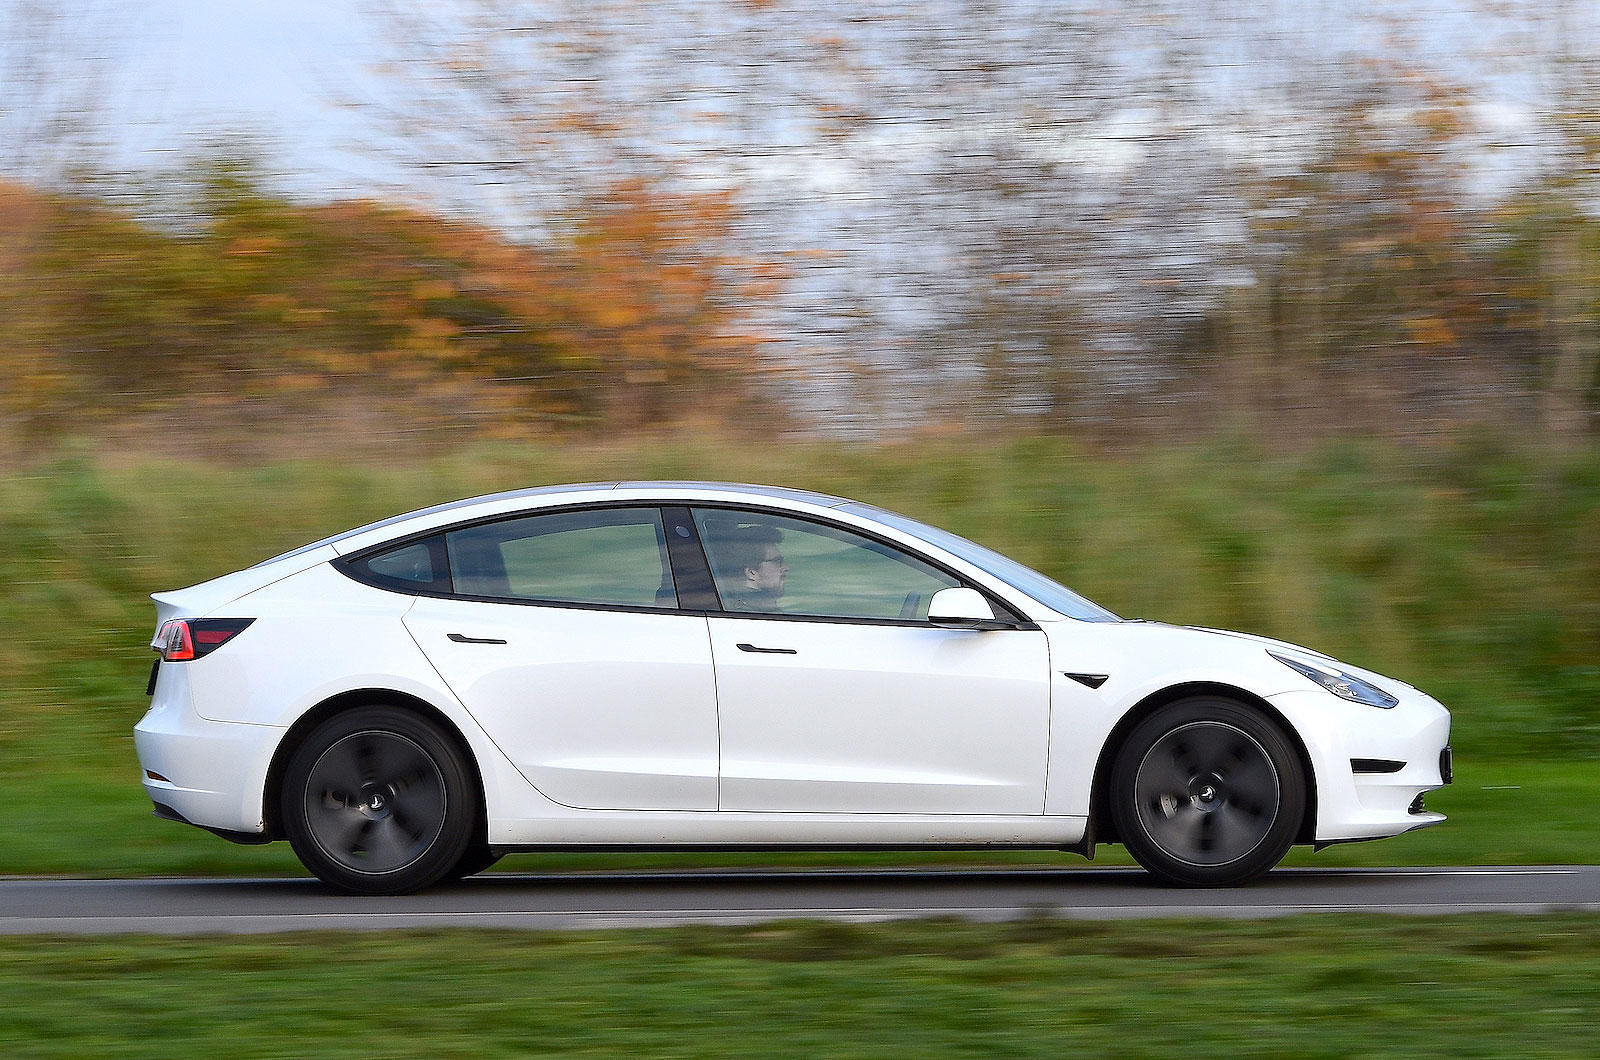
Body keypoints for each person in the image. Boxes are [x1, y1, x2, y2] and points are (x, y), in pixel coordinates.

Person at [714, 523, 788, 612]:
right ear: (751, 572)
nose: (786, 567)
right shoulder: (751, 616)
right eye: (777, 561)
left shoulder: (733, 607)